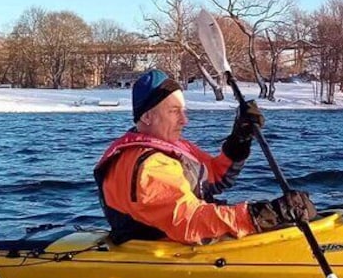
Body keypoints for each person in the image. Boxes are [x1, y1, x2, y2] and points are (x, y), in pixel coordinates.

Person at [94, 69, 317, 245]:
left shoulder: (169, 146)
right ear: (147, 116)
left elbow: (216, 176)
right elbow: (189, 221)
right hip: (166, 250)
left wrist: (240, 138)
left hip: (190, 238)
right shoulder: (150, 165)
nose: (185, 120)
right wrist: (261, 215)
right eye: (174, 111)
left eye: (183, 110)